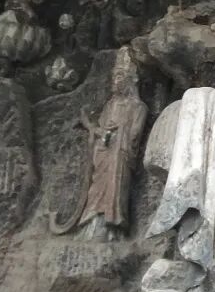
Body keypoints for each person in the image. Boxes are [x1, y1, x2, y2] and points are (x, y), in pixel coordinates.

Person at [50, 48, 148, 240]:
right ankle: (91, 224)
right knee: (96, 188)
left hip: (120, 155)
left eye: (119, 77)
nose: (115, 82)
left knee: (116, 185)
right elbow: (101, 130)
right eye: (114, 77)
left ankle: (111, 228)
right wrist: (97, 131)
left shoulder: (138, 107)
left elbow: (135, 136)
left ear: (131, 80)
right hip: (104, 151)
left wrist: (118, 131)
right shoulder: (110, 105)